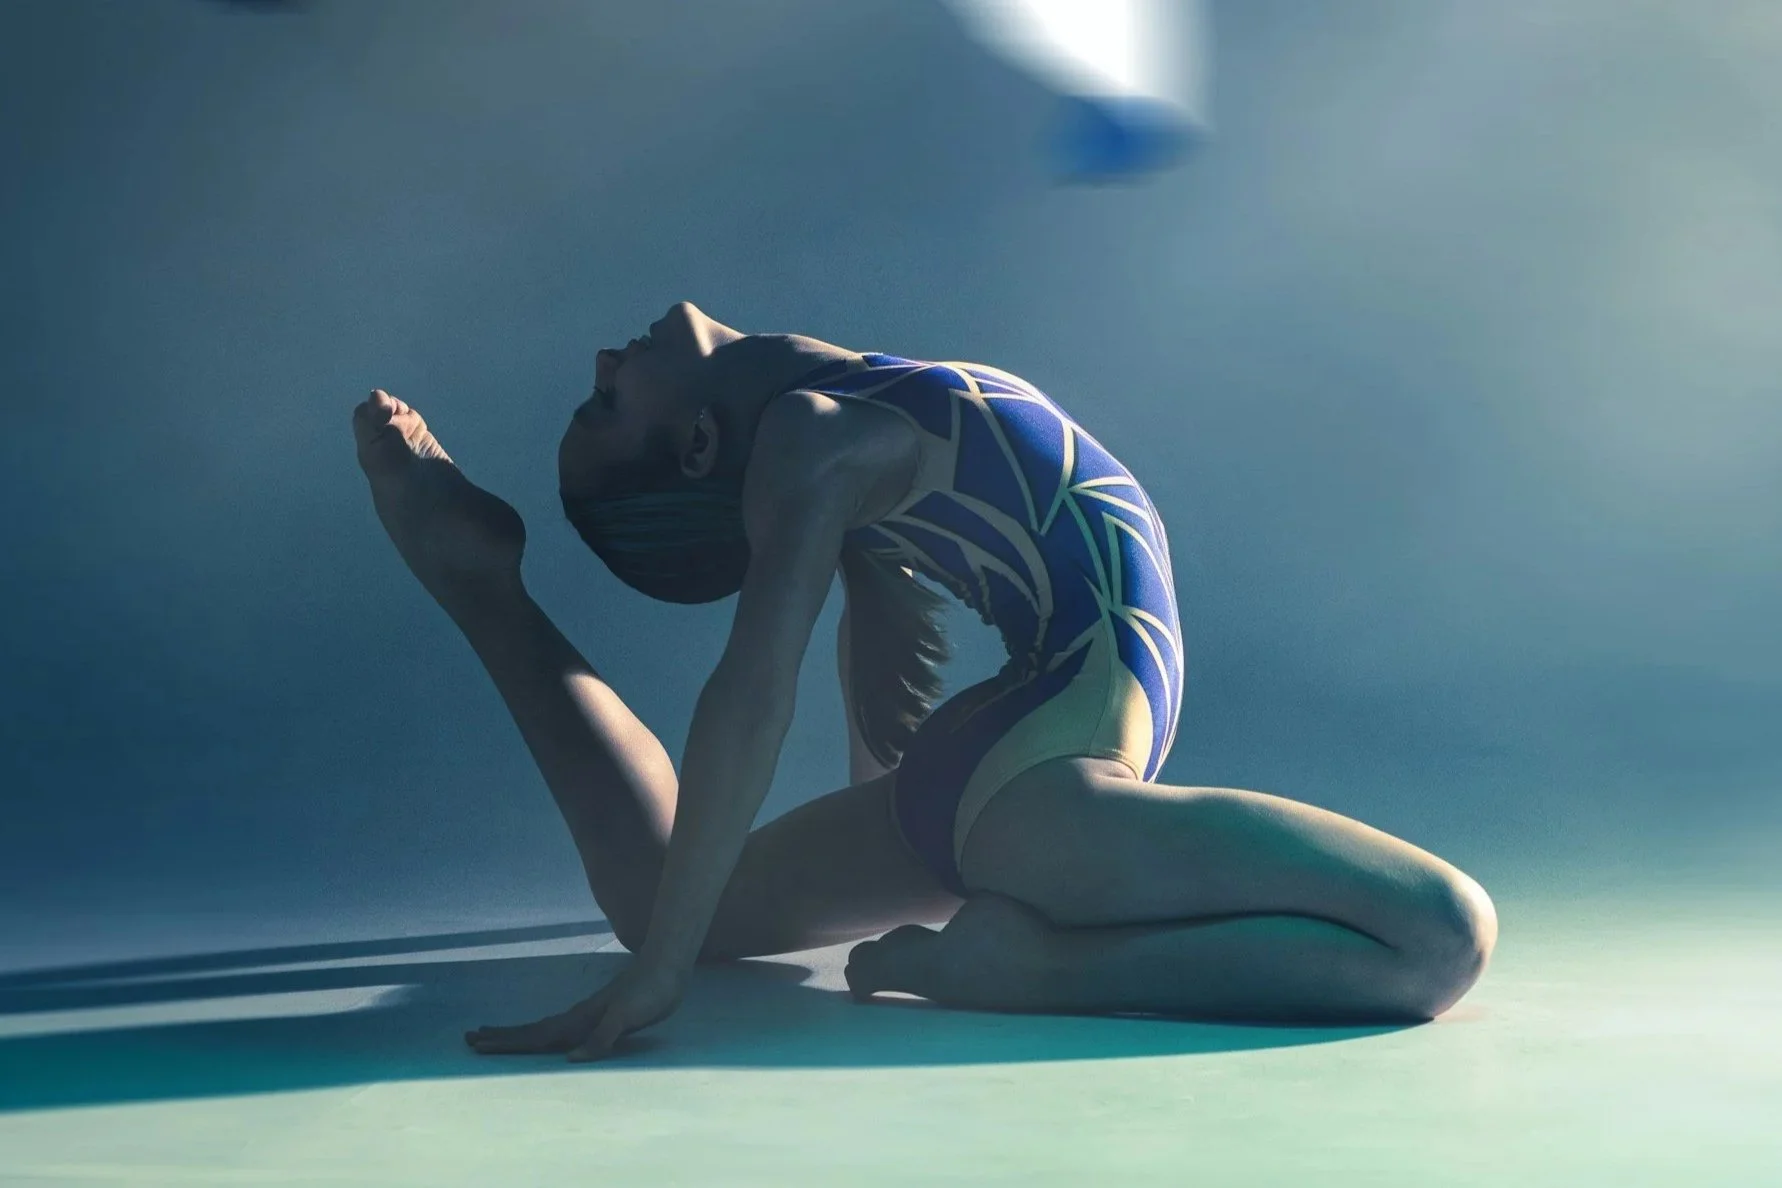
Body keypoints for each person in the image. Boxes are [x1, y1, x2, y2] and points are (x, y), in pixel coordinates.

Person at [350, 301, 1497, 1063]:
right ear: (699, 447)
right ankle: (1035, 970)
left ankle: (484, 592)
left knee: (668, 902)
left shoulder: (847, 423)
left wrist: (686, 939)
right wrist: (656, 981)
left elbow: (878, 633)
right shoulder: (814, 434)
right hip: (1044, 787)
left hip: (1005, 773)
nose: (606, 364)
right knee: (1441, 937)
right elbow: (753, 688)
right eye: (609, 405)